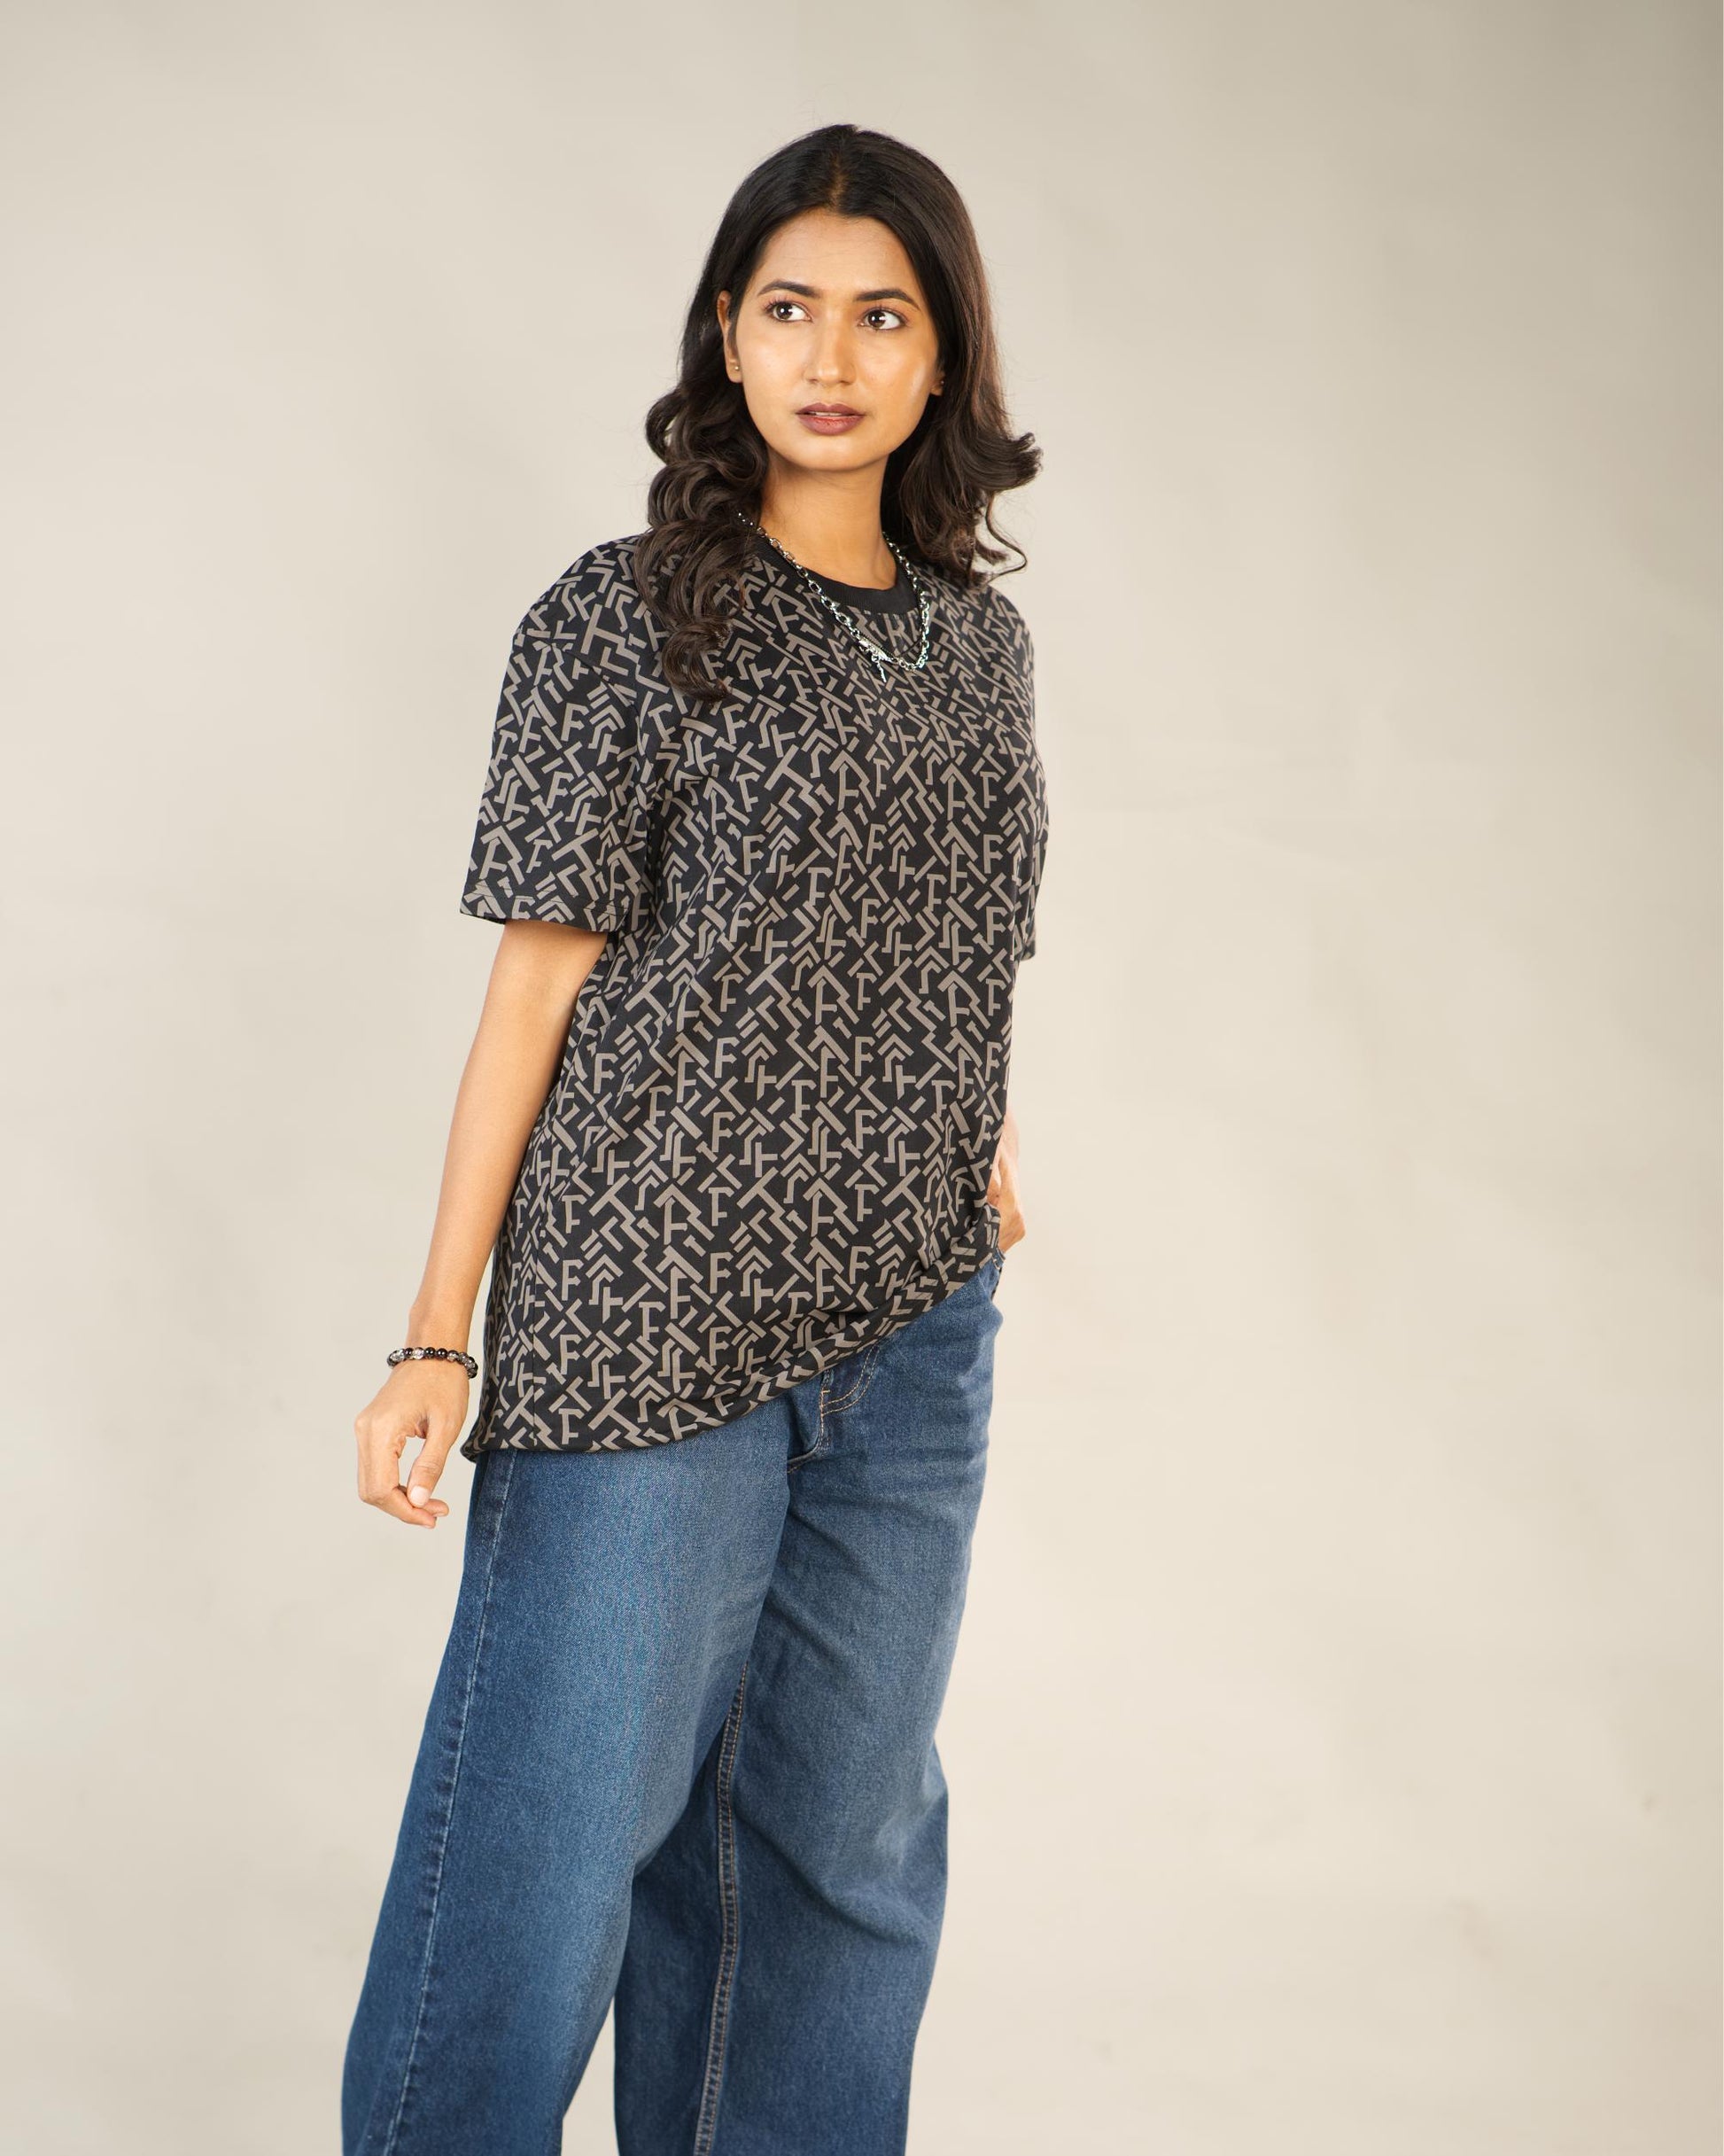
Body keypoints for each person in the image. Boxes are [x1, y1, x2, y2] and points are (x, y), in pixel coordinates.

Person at [340, 121, 1049, 2156]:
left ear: (940, 360)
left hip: (910, 1339)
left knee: (833, 1879)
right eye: (789, 305)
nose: (831, 352)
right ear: (727, 339)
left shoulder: (975, 643)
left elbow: (942, 923)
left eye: (881, 312)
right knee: (536, 1879)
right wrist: (433, 1333)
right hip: (646, 1328)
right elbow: (535, 996)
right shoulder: (629, 615)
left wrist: (967, 1133)